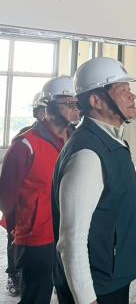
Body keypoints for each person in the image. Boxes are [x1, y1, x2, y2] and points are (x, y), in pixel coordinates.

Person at [52, 57, 136, 304]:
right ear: (96, 101)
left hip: (110, 275)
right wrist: (86, 299)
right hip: (97, 286)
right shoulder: (88, 155)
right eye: (123, 90)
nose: (132, 96)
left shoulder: (111, 141)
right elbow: (71, 240)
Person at [0, 76, 80, 304]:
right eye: (69, 103)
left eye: (77, 103)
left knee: (71, 293)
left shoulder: (76, 140)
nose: (75, 109)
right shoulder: (25, 145)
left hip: (70, 233)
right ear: (50, 106)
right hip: (37, 239)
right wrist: (22, 229)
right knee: (36, 296)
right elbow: (6, 198)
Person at [3, 91, 47, 297]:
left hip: (47, 206)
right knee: (14, 240)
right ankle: (13, 274)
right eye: (43, 110)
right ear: (37, 112)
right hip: (24, 206)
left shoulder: (64, 136)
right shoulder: (25, 138)